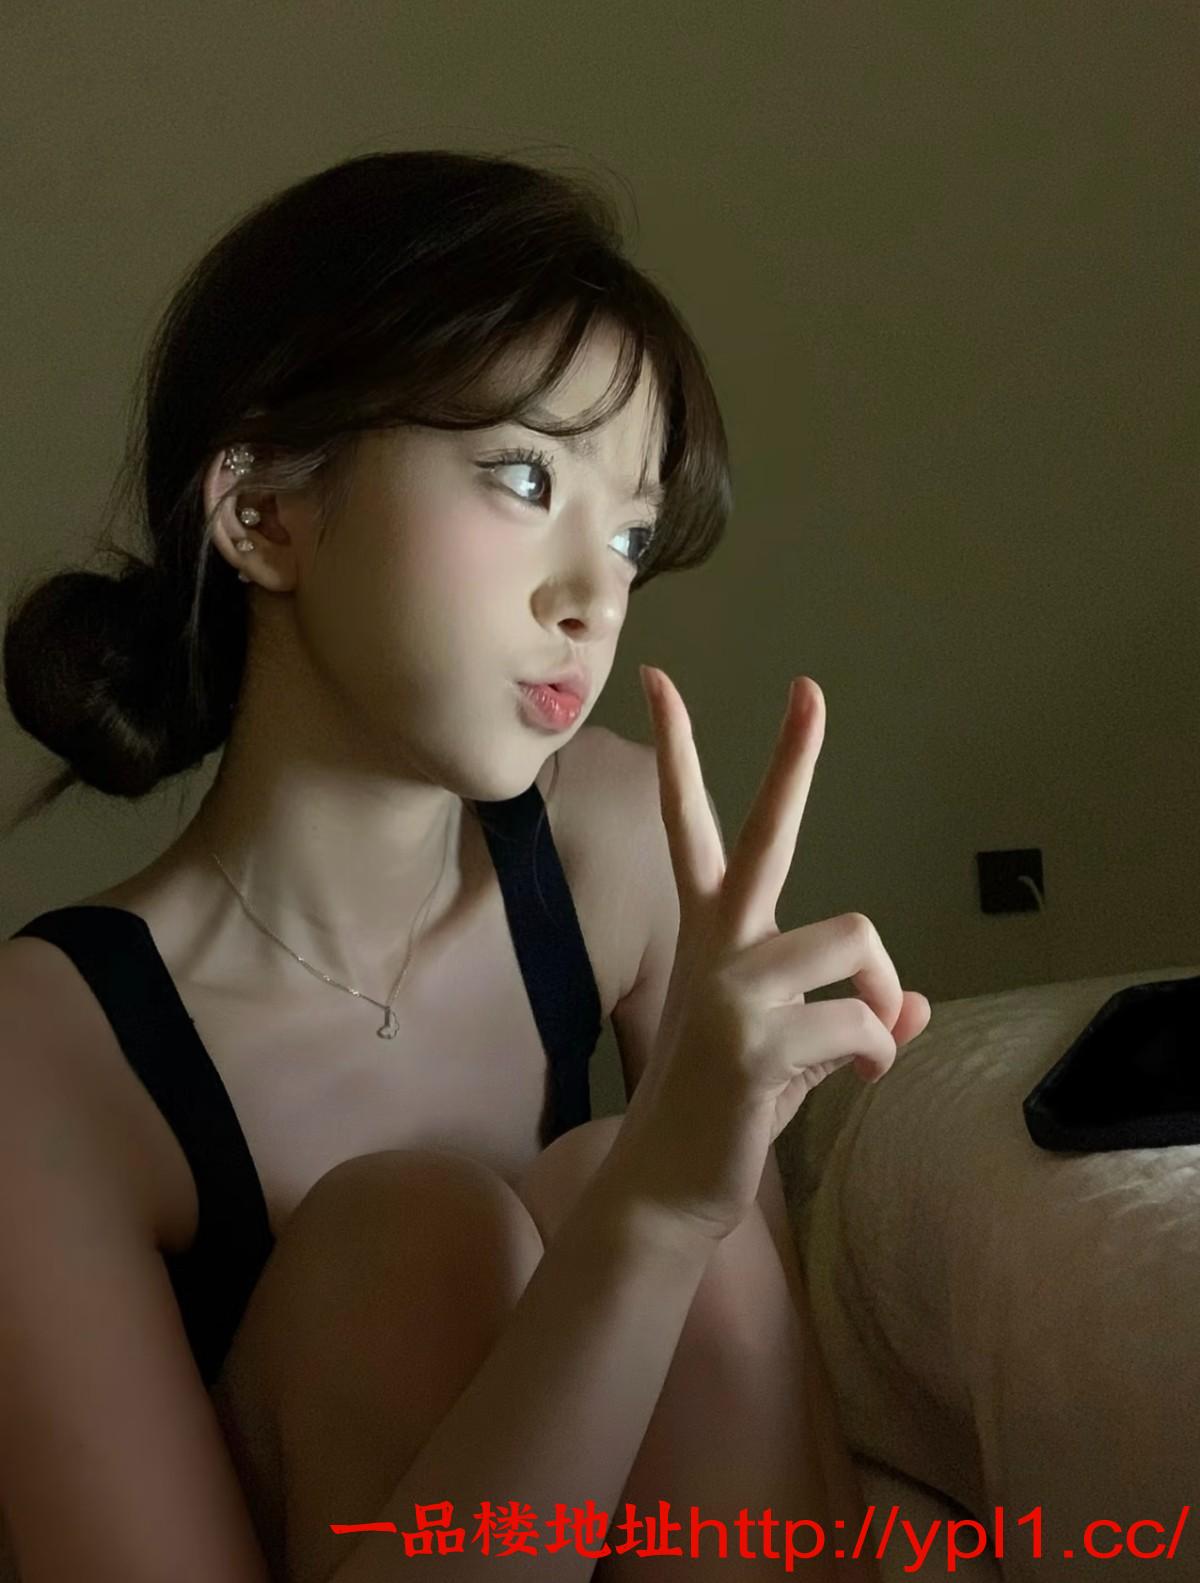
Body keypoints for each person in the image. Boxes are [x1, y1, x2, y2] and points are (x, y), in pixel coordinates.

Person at [0, 148, 925, 1583]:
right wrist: (658, 1212)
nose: (596, 596)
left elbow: (775, 1502)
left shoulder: (611, 846)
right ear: (266, 514)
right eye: (523, 475)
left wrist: (679, 1186)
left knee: (613, 1169)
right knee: (413, 1237)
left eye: (630, 532)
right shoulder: (52, 1054)